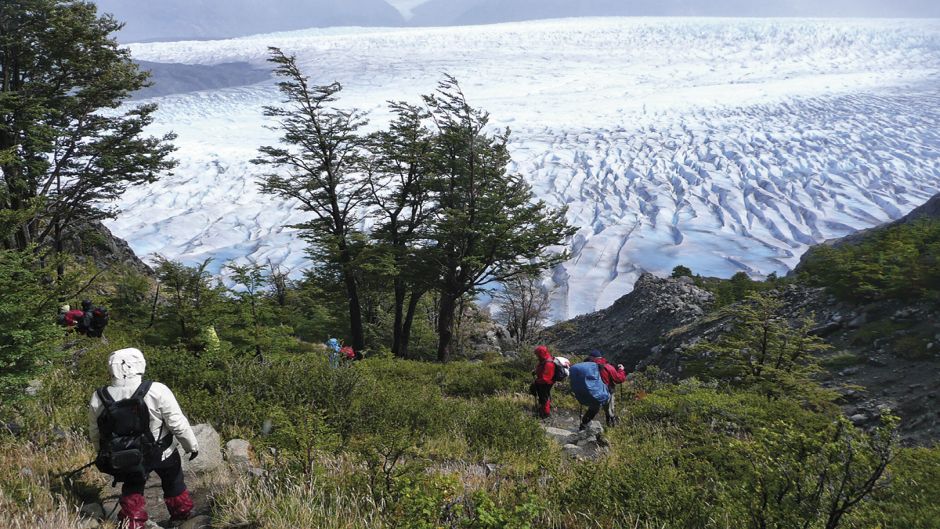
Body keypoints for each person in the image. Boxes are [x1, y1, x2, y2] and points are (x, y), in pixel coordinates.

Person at [89, 348, 200, 528]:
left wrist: (102, 452)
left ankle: (133, 522)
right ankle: (181, 513)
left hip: (125, 455)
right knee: (173, 479)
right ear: (140, 365)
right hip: (162, 451)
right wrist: (191, 446)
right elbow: (177, 423)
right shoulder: (157, 390)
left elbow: (95, 431)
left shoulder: (99, 396)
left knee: (132, 486)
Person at [579, 350, 626, 429]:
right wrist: (621, 370)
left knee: (593, 409)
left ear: (591, 357)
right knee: (609, 410)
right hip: (607, 392)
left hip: (593, 392)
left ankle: (583, 425)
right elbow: (619, 379)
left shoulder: (586, 367)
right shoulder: (608, 367)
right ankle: (610, 428)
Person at [530, 345, 556, 419]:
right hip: (541, 382)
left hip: (546, 384)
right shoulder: (543, 360)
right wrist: (535, 372)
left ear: (541, 353)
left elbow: (546, 379)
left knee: (544, 398)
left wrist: (536, 382)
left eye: (537, 354)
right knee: (542, 397)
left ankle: (545, 414)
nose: (537, 356)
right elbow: (540, 368)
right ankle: (542, 410)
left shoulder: (549, 363)